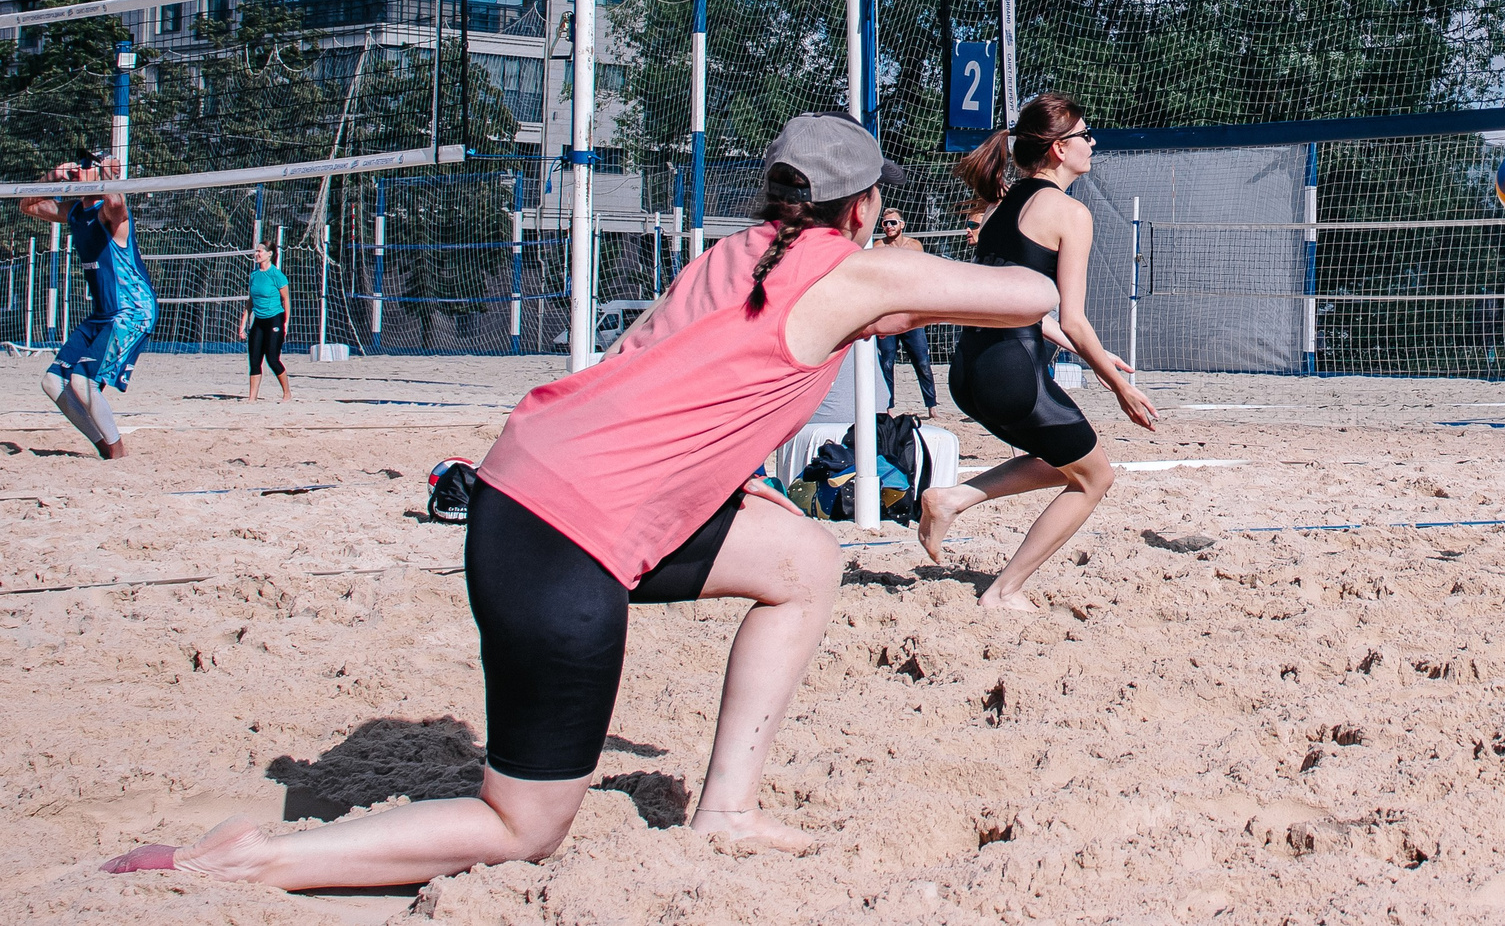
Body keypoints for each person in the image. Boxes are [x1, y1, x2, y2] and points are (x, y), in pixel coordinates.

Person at [103, 113, 1057, 888]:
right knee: (523, 828)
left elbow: (660, 369)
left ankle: (725, 810)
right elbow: (1020, 294)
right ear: (861, 208)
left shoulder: (734, 255)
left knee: (803, 559)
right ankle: (251, 858)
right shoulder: (854, 270)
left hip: (522, 484)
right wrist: (1031, 215)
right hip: (564, 540)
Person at [918, 94, 1157, 609]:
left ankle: (953, 498)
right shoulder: (1070, 213)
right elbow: (1072, 316)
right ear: (1056, 149)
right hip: (1013, 376)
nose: (1092, 143)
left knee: (1065, 460)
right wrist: (1120, 388)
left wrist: (1095, 355)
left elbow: (1015, 307)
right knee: (1096, 477)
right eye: (1084, 135)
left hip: (970, 370)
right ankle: (1005, 590)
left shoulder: (1002, 204)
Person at [18, 157, 157, 460]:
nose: (79, 169)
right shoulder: (76, 213)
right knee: (52, 381)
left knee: (82, 382)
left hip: (132, 311)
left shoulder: (109, 212)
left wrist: (107, 174)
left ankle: (119, 453)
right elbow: (27, 205)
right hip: (102, 314)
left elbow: (117, 202)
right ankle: (103, 446)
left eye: (86, 165)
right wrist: (53, 176)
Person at [872, 207, 938, 414]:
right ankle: (888, 406)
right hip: (888, 313)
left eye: (893, 222)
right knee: (887, 362)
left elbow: (921, 276)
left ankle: (931, 405)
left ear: (902, 225)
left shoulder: (914, 246)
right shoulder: (878, 246)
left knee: (922, 361)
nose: (889, 226)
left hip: (910, 313)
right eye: (885, 223)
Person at [237, 242, 292, 404]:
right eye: (256, 251)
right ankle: (252, 397)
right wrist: (242, 325)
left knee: (272, 359)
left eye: (260, 251)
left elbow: (286, 299)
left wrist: (286, 323)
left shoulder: (277, 275)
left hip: (275, 318)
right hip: (259, 321)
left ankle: (287, 393)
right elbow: (250, 302)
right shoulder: (254, 275)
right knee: (254, 359)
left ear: (269, 254)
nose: (257, 254)